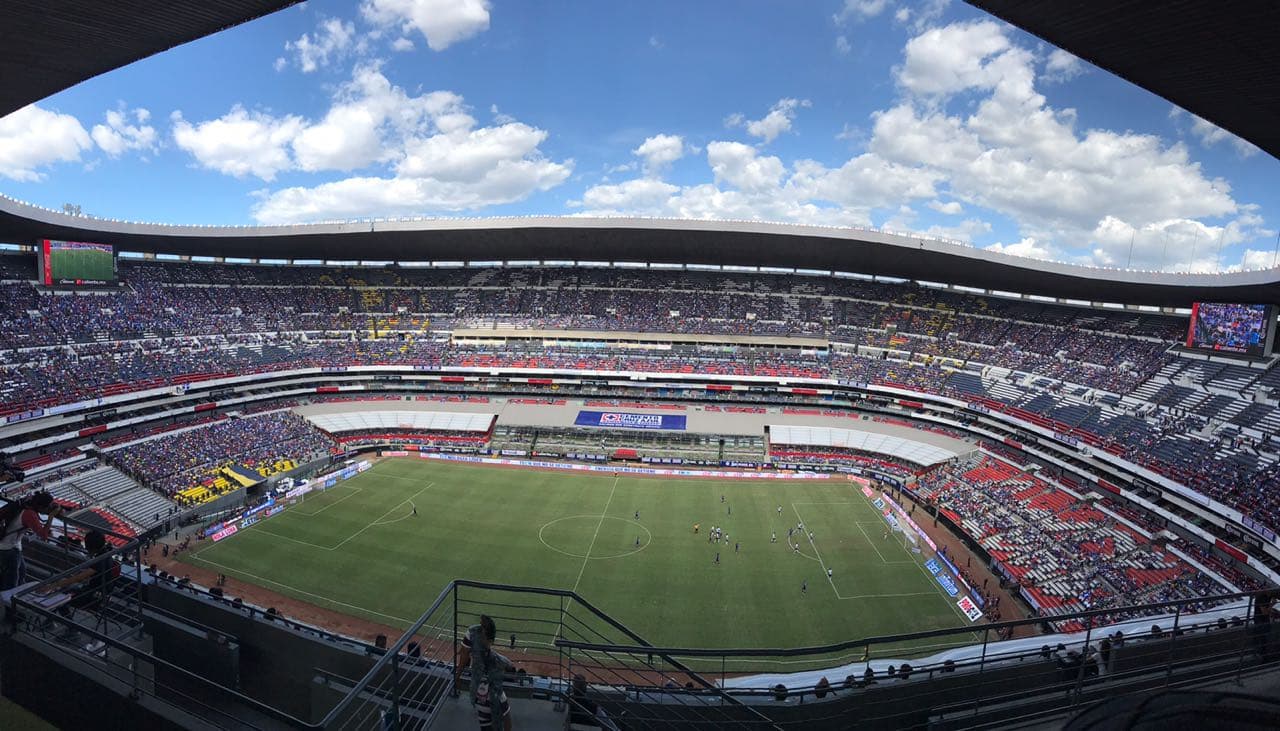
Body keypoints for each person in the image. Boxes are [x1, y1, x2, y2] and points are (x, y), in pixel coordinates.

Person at [0, 491, 62, 591]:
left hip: (9, 545)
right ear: (41, 506)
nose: (49, 509)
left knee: (21, 573)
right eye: (48, 507)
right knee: (12, 582)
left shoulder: (26, 502)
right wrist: (50, 517)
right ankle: (9, 602)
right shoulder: (30, 514)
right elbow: (44, 535)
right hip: (9, 549)